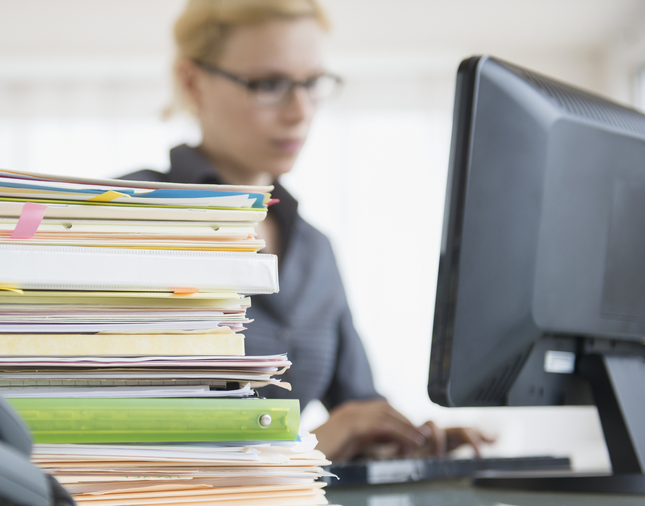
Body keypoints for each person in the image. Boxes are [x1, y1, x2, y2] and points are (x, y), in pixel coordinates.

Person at [123, 0, 492, 462]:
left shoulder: (316, 249)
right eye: (269, 84)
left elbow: (357, 409)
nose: (300, 110)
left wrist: (409, 441)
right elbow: (100, 419)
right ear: (193, 83)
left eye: (312, 83)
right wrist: (304, 440)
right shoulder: (128, 215)